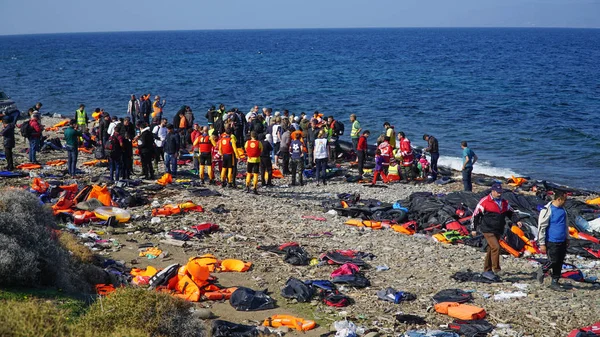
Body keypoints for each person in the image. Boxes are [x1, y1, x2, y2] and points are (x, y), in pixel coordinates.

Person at [471, 183, 522, 279]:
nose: (499, 194)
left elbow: (510, 212)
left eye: (500, 192)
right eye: (497, 192)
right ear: (493, 191)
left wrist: (517, 220)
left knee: (491, 249)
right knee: (496, 247)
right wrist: (474, 228)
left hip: (498, 229)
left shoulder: (504, 202)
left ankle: (487, 269)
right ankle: (496, 269)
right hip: (487, 229)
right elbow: (475, 215)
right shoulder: (484, 202)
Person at [537, 190, 569, 291]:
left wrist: (567, 237)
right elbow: (541, 227)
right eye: (564, 200)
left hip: (562, 240)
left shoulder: (563, 210)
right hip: (551, 240)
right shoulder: (547, 210)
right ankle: (543, 269)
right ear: (559, 199)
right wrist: (541, 243)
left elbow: (566, 225)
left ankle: (555, 282)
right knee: (553, 260)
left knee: (559, 261)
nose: (565, 202)